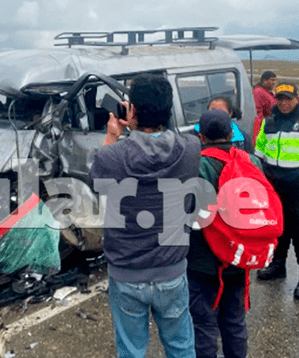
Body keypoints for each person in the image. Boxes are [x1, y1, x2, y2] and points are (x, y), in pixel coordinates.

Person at [90, 74, 199, 357]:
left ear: (132, 110)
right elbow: (165, 142)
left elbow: (96, 183)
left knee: (131, 350)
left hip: (127, 274)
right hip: (172, 270)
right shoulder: (190, 149)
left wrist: (114, 134)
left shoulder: (110, 157)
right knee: (181, 346)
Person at [188, 109, 262, 358]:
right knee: (234, 321)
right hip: (240, 257)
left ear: (202, 136)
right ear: (232, 133)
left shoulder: (197, 166)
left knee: (204, 325)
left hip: (204, 262)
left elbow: (192, 216)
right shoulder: (252, 162)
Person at [254, 82, 299, 299]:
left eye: (288, 98)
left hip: (297, 186)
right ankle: (277, 266)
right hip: (274, 186)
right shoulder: (268, 122)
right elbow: (260, 151)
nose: (284, 103)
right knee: (277, 229)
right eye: (280, 98)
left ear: (297, 99)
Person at [252, 71, 276, 143]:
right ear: (264, 80)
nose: (274, 82)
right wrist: (264, 125)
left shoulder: (268, 92)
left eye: (275, 80)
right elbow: (258, 111)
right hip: (264, 127)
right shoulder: (258, 92)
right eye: (272, 80)